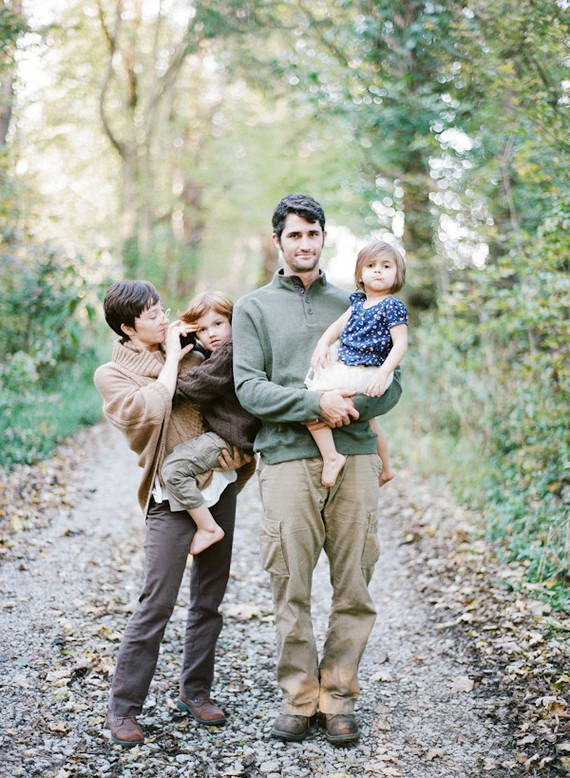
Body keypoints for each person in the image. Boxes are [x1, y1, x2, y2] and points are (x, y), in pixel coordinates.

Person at [232, 194, 403, 746]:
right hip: (284, 459)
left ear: (324, 238)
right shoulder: (253, 308)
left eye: (313, 234)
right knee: (291, 585)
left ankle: (340, 699)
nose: (304, 244)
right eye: (294, 235)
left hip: (354, 457)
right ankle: (299, 698)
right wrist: (313, 405)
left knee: (354, 583)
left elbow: (390, 382)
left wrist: (346, 405)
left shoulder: (357, 301)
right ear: (277, 240)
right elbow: (248, 388)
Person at [94, 280, 254, 747]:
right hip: (171, 497)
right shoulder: (113, 374)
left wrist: (238, 453)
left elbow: (225, 401)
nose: (164, 318)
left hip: (219, 486)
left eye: (163, 309)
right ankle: (124, 708)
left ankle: (195, 691)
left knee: (210, 597)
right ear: (128, 327)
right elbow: (147, 412)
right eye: (151, 314)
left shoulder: (193, 349)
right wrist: (171, 356)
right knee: (156, 602)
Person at [161, 290, 261, 555]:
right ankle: (207, 520)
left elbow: (200, 384)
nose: (212, 334)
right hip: (235, 435)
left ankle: (207, 527)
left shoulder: (231, 349)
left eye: (218, 324)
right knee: (220, 493)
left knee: (173, 470)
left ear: (233, 321)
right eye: (202, 329)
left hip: (230, 436)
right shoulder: (227, 348)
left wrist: (165, 389)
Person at [305, 241, 408, 488]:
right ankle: (387, 468)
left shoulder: (392, 306)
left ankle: (332, 457)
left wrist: (384, 373)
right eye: (370, 266)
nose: (378, 271)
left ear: (397, 274)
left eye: (386, 266)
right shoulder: (358, 304)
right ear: (360, 274)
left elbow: (401, 344)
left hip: (368, 372)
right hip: (351, 368)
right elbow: (336, 328)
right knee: (370, 422)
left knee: (310, 406)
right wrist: (322, 344)